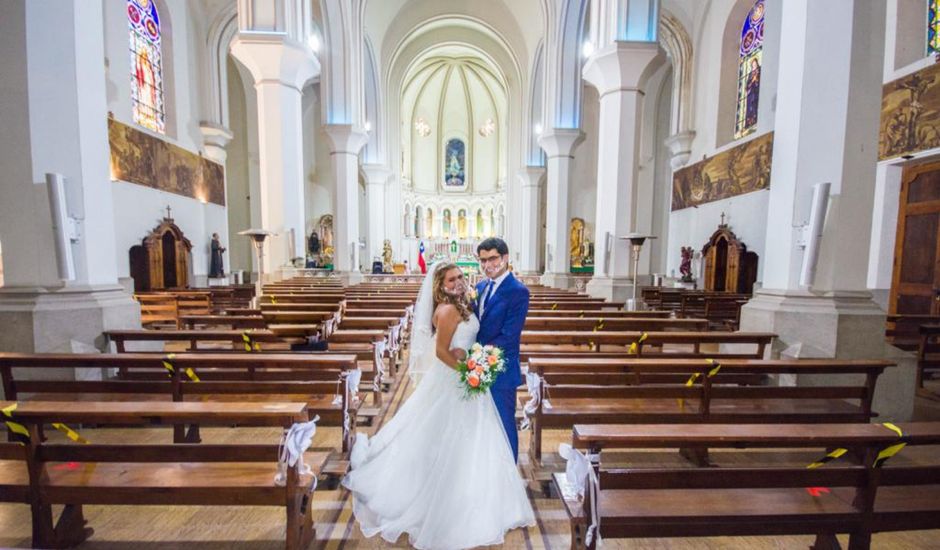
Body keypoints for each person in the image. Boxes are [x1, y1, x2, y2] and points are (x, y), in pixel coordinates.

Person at [342, 262, 534, 549]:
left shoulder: (464, 304)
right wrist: (467, 370)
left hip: (470, 379)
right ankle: (444, 498)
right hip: (456, 379)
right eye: (451, 279)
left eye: (459, 277)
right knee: (446, 439)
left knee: (476, 440)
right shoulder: (446, 310)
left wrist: (474, 364)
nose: (458, 282)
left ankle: (477, 493)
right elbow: (442, 352)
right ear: (440, 286)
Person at [473, 237, 529, 462]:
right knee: (482, 424)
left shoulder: (518, 292)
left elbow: (509, 335)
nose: (487, 265)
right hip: (476, 369)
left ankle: (510, 478)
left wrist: (476, 357)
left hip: (501, 370)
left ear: (505, 258)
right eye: (483, 260)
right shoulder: (480, 286)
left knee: (505, 424)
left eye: (493, 258)